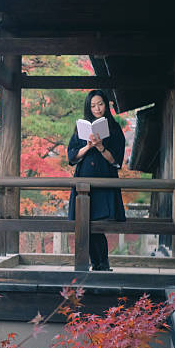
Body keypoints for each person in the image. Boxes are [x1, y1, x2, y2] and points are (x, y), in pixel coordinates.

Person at [67, 90, 125, 271]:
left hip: (104, 179)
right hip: (84, 179)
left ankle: (102, 263)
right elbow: (72, 156)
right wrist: (88, 146)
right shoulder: (81, 128)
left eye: (100, 104)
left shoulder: (114, 129)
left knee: (98, 223)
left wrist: (100, 147)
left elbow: (116, 160)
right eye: (92, 105)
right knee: (85, 222)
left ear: (106, 105)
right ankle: (98, 263)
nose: (97, 108)